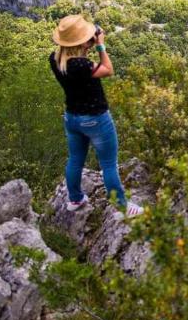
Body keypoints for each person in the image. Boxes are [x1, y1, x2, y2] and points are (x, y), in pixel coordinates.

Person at [50, 14, 144, 218]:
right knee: (109, 164)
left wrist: (86, 45)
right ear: (82, 41)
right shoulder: (81, 66)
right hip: (96, 119)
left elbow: (75, 59)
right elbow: (108, 69)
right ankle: (122, 206)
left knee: (75, 159)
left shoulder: (55, 59)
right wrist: (100, 45)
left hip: (72, 118)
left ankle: (75, 199)